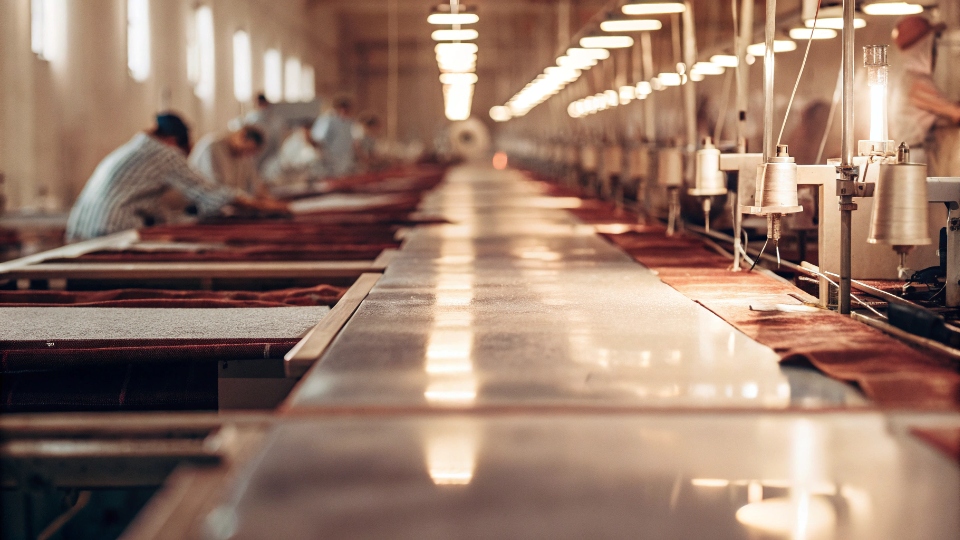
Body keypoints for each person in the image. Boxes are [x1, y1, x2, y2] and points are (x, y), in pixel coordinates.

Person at [66, 113, 287, 241]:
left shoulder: (135, 148)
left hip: (80, 228)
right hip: (108, 232)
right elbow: (209, 193)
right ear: (173, 140)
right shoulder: (165, 153)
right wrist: (263, 207)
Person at [890, 16, 960, 175]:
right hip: (914, 158)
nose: (935, 52)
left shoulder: (907, 78)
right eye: (933, 46)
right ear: (924, 48)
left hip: (912, 156)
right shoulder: (916, 83)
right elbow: (955, 113)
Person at [189, 125, 266, 195]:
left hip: (232, 203)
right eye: (247, 150)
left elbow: (255, 184)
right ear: (241, 136)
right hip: (204, 204)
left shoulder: (245, 156)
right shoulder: (211, 146)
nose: (246, 155)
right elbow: (212, 188)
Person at [310, 93, 357, 177]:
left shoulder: (349, 122)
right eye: (342, 109)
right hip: (330, 162)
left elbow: (350, 142)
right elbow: (317, 140)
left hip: (344, 162)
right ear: (337, 108)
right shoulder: (327, 120)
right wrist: (325, 157)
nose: (344, 112)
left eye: (347, 110)